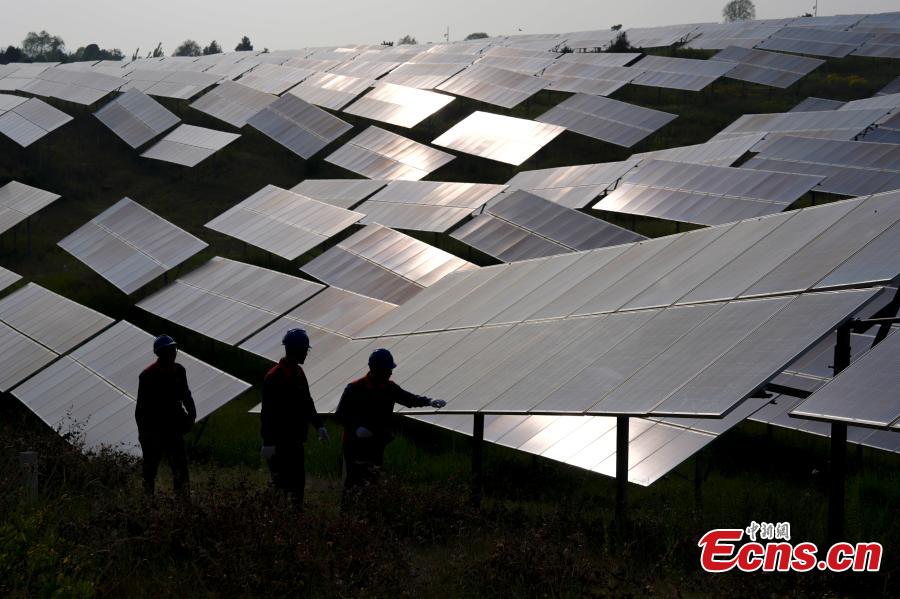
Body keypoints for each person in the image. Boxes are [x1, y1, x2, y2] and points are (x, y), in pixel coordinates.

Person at [335, 348, 446, 492]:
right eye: (387, 369)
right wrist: (356, 428)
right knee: (353, 484)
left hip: (376, 443)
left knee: (372, 483)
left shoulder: (390, 388)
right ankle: (349, 506)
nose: (390, 372)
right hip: (354, 445)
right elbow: (340, 415)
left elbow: (409, 399)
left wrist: (429, 401)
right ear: (376, 369)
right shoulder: (355, 388)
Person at [260, 328, 329, 505]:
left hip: (296, 440)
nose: (306, 354)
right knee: (281, 487)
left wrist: (319, 425)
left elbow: (307, 402)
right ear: (295, 350)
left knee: (297, 486)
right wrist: (268, 442)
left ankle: (294, 518)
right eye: (304, 350)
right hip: (279, 443)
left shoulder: (298, 373)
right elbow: (268, 412)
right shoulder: (274, 376)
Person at [135, 334, 196, 497]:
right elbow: (141, 408)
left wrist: (191, 415)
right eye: (169, 350)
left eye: (174, 349)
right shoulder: (147, 375)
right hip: (154, 428)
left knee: (180, 468)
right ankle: (148, 501)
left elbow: (186, 395)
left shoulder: (179, 371)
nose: (173, 353)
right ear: (160, 353)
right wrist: (143, 434)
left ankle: (183, 501)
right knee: (150, 470)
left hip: (174, 427)